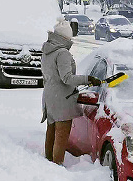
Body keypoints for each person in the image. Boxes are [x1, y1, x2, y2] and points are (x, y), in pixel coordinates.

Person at [40, 19, 100, 165]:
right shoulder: (62, 53)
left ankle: (48, 162)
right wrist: (88, 79)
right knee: (61, 135)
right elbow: (67, 78)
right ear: (66, 37)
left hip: (49, 95)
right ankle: (56, 165)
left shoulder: (47, 49)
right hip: (62, 98)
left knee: (51, 131)